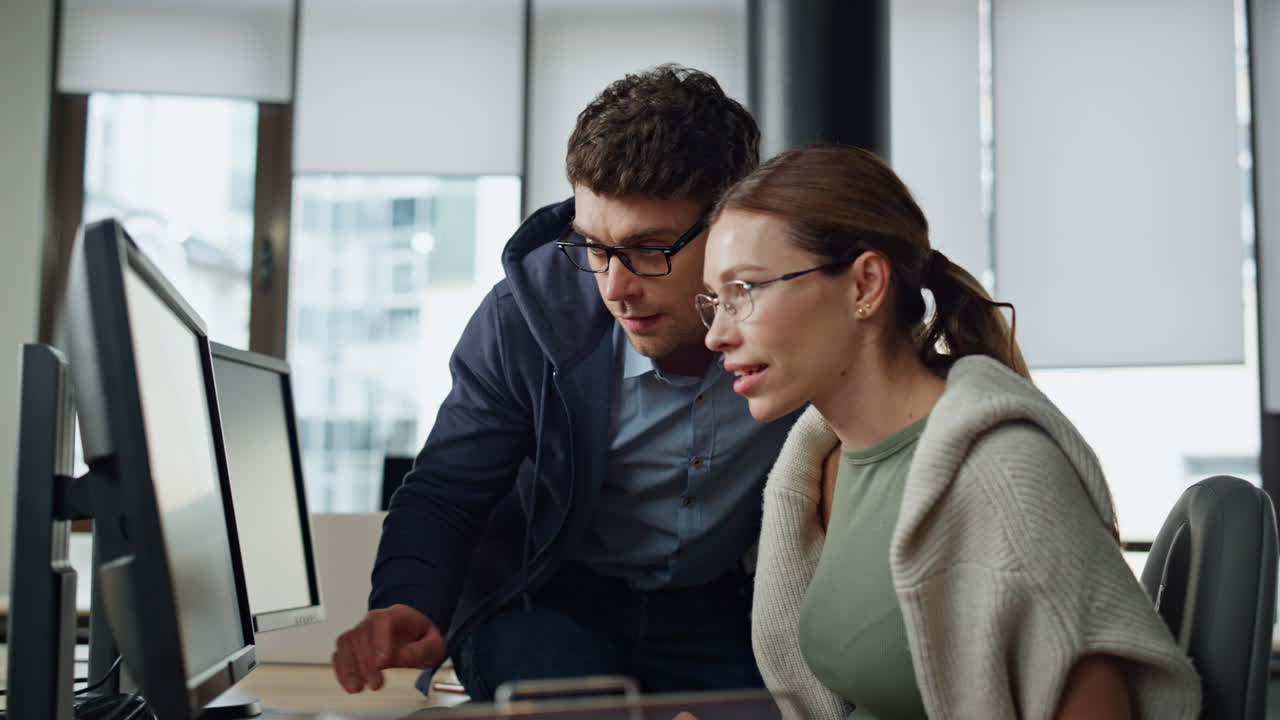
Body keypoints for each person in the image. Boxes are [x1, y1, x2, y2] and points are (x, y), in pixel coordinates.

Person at [331, 65, 800, 701]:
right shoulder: (520, 319)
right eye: (594, 247)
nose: (615, 287)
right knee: (574, 704)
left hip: (712, 607)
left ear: (731, 227)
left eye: (648, 249)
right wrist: (409, 599)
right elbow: (447, 488)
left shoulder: (804, 321)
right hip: (541, 600)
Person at [697, 143, 1201, 719]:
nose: (717, 334)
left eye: (746, 290)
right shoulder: (822, 465)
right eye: (714, 300)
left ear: (864, 286)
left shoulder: (1003, 477)